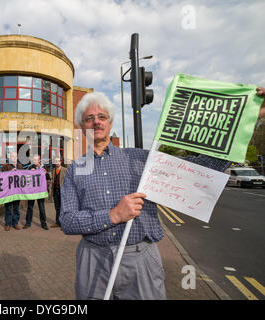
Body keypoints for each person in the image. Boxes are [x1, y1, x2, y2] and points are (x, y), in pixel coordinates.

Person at [60, 91, 265, 300]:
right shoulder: (75, 169)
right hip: (93, 259)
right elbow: (67, 221)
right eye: (89, 118)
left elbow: (201, 167)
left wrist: (246, 122)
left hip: (140, 260)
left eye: (102, 117)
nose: (96, 122)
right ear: (81, 126)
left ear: (110, 123)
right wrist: (112, 215)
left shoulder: (141, 159)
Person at [23, 154, 49, 230]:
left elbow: (48, 178)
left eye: (36, 160)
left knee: (41, 207)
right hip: (32, 191)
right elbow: (25, 177)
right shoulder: (30, 167)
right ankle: (28, 223)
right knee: (30, 207)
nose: (34, 161)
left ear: (39, 160)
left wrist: (46, 173)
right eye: (33, 160)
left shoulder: (44, 167)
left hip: (40, 191)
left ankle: (44, 224)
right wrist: (30, 172)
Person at [1, 151, 23, 231]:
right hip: (8, 191)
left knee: (16, 208)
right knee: (8, 208)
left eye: (15, 156)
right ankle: (8, 224)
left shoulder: (20, 166)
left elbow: (24, 175)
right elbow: (1, 175)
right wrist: (10, 172)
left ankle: (15, 223)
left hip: (17, 190)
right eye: (12, 157)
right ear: (9, 158)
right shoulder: (6, 167)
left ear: (17, 157)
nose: (13, 158)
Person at [49, 156, 67, 229]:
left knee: (63, 208)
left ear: (61, 162)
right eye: (55, 161)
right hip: (55, 191)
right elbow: (51, 179)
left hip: (62, 191)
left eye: (58, 161)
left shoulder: (65, 170)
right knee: (57, 208)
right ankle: (57, 222)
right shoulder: (53, 170)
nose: (57, 162)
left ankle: (63, 224)